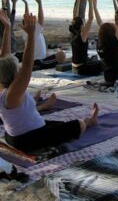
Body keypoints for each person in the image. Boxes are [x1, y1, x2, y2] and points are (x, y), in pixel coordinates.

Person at [0, 10, 99, 153]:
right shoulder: (12, 94)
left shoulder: (3, 87)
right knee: (78, 125)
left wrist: (8, 28)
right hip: (27, 139)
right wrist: (31, 35)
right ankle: (90, 121)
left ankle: (44, 107)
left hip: (14, 135)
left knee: (59, 125)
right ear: (15, 76)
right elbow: (27, 66)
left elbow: (4, 59)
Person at [16, 0, 66, 70]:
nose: (34, 18)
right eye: (32, 18)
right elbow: (41, 19)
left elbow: (26, 15)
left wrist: (26, 3)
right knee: (62, 55)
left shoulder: (28, 31)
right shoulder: (33, 31)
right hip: (39, 62)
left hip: (38, 60)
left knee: (59, 53)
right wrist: (40, 3)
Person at [92, 0, 118, 86]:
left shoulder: (100, 44)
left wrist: (94, 5)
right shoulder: (112, 44)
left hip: (108, 77)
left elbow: (100, 23)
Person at [70, 0, 103, 76]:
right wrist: (90, 1)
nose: (85, 24)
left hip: (73, 68)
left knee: (93, 59)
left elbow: (75, 14)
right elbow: (91, 18)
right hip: (82, 69)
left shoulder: (73, 32)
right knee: (103, 64)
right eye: (84, 23)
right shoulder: (82, 35)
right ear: (81, 26)